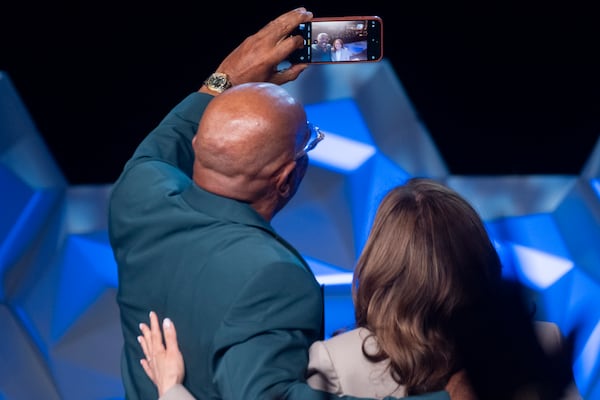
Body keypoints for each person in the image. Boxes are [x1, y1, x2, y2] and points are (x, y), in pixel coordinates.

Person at [109, 6, 449, 400]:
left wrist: (226, 78)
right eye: (310, 141)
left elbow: (171, 137)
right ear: (287, 179)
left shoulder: (137, 196)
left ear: (198, 146)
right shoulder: (272, 276)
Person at [137, 178, 578, 399]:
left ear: (380, 267)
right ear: (482, 262)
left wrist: (173, 388)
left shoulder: (335, 363)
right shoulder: (543, 343)